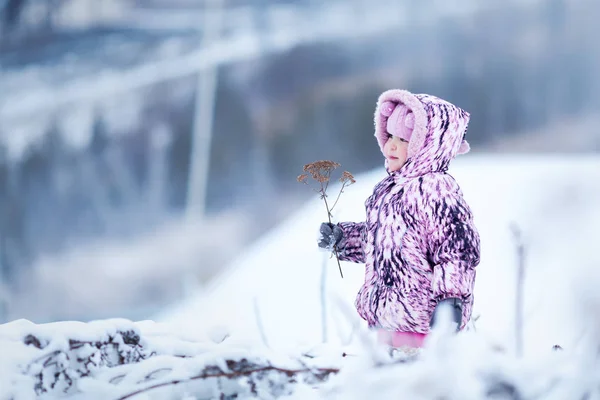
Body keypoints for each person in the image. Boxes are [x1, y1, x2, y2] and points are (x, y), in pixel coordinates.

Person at [318, 89, 480, 348]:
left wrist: (451, 301)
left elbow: (456, 251)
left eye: (403, 140)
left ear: (428, 145)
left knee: (416, 385)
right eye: (390, 135)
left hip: (424, 329)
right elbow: (384, 242)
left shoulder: (436, 190)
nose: (391, 145)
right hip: (384, 326)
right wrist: (343, 239)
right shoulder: (390, 189)